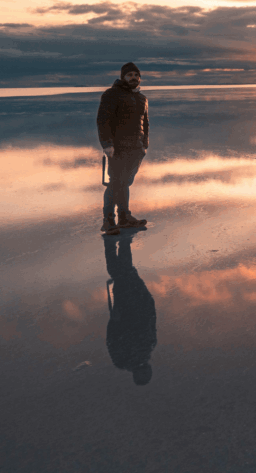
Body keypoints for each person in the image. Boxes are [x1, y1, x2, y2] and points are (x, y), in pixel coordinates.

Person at [97, 62, 149, 233]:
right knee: (115, 183)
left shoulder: (142, 98)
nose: (133, 78)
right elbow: (103, 121)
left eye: (136, 75)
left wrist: (144, 145)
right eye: (129, 75)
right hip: (118, 148)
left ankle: (125, 217)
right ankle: (108, 221)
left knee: (125, 183)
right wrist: (107, 144)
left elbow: (145, 123)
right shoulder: (112, 94)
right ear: (123, 77)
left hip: (136, 148)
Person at [104, 231, 157, 385]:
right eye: (148, 373)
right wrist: (148, 301)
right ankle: (117, 242)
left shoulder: (122, 359)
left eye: (145, 374)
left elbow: (112, 339)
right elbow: (151, 322)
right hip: (136, 306)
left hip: (127, 312)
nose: (147, 371)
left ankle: (119, 241)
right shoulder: (148, 348)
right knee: (124, 273)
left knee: (122, 274)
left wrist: (114, 321)